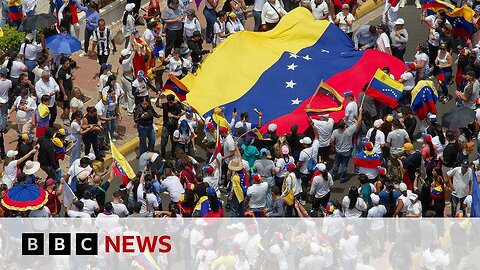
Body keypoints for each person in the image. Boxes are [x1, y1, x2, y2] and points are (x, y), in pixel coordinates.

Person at [331, 108, 363, 182]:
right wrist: (360, 112)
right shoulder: (349, 131)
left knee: (336, 164)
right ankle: (342, 178)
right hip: (346, 151)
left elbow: (332, 140)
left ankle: (333, 176)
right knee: (344, 165)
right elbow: (359, 122)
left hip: (338, 151)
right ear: (345, 126)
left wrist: (332, 146)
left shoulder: (335, 132)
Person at [160, 94, 184, 159]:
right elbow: (157, 105)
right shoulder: (165, 105)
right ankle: (162, 156)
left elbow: (179, 116)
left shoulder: (177, 107)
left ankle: (173, 156)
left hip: (174, 127)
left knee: (174, 143)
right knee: (163, 143)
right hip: (166, 127)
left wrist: (172, 116)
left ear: (173, 101)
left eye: (171, 102)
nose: (170, 103)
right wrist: (158, 98)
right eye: (168, 102)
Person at [57, 57, 75, 125]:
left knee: (67, 104)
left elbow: (70, 77)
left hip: (70, 88)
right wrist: (64, 94)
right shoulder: (61, 72)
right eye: (66, 64)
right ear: (62, 64)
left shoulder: (68, 68)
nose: (68, 65)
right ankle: (66, 119)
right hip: (65, 90)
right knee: (66, 105)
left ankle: (65, 115)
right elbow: (61, 84)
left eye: (68, 63)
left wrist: (72, 87)